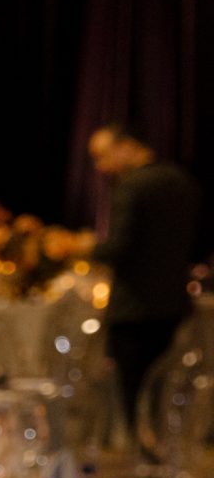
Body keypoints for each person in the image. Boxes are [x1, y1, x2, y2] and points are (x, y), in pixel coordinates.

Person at [89, 122, 205, 415]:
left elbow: (118, 248)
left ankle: (139, 442)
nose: (101, 167)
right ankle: (160, 440)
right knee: (164, 391)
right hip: (173, 303)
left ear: (126, 146)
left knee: (132, 394)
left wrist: (84, 247)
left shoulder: (132, 185)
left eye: (103, 155)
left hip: (133, 307)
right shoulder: (182, 180)